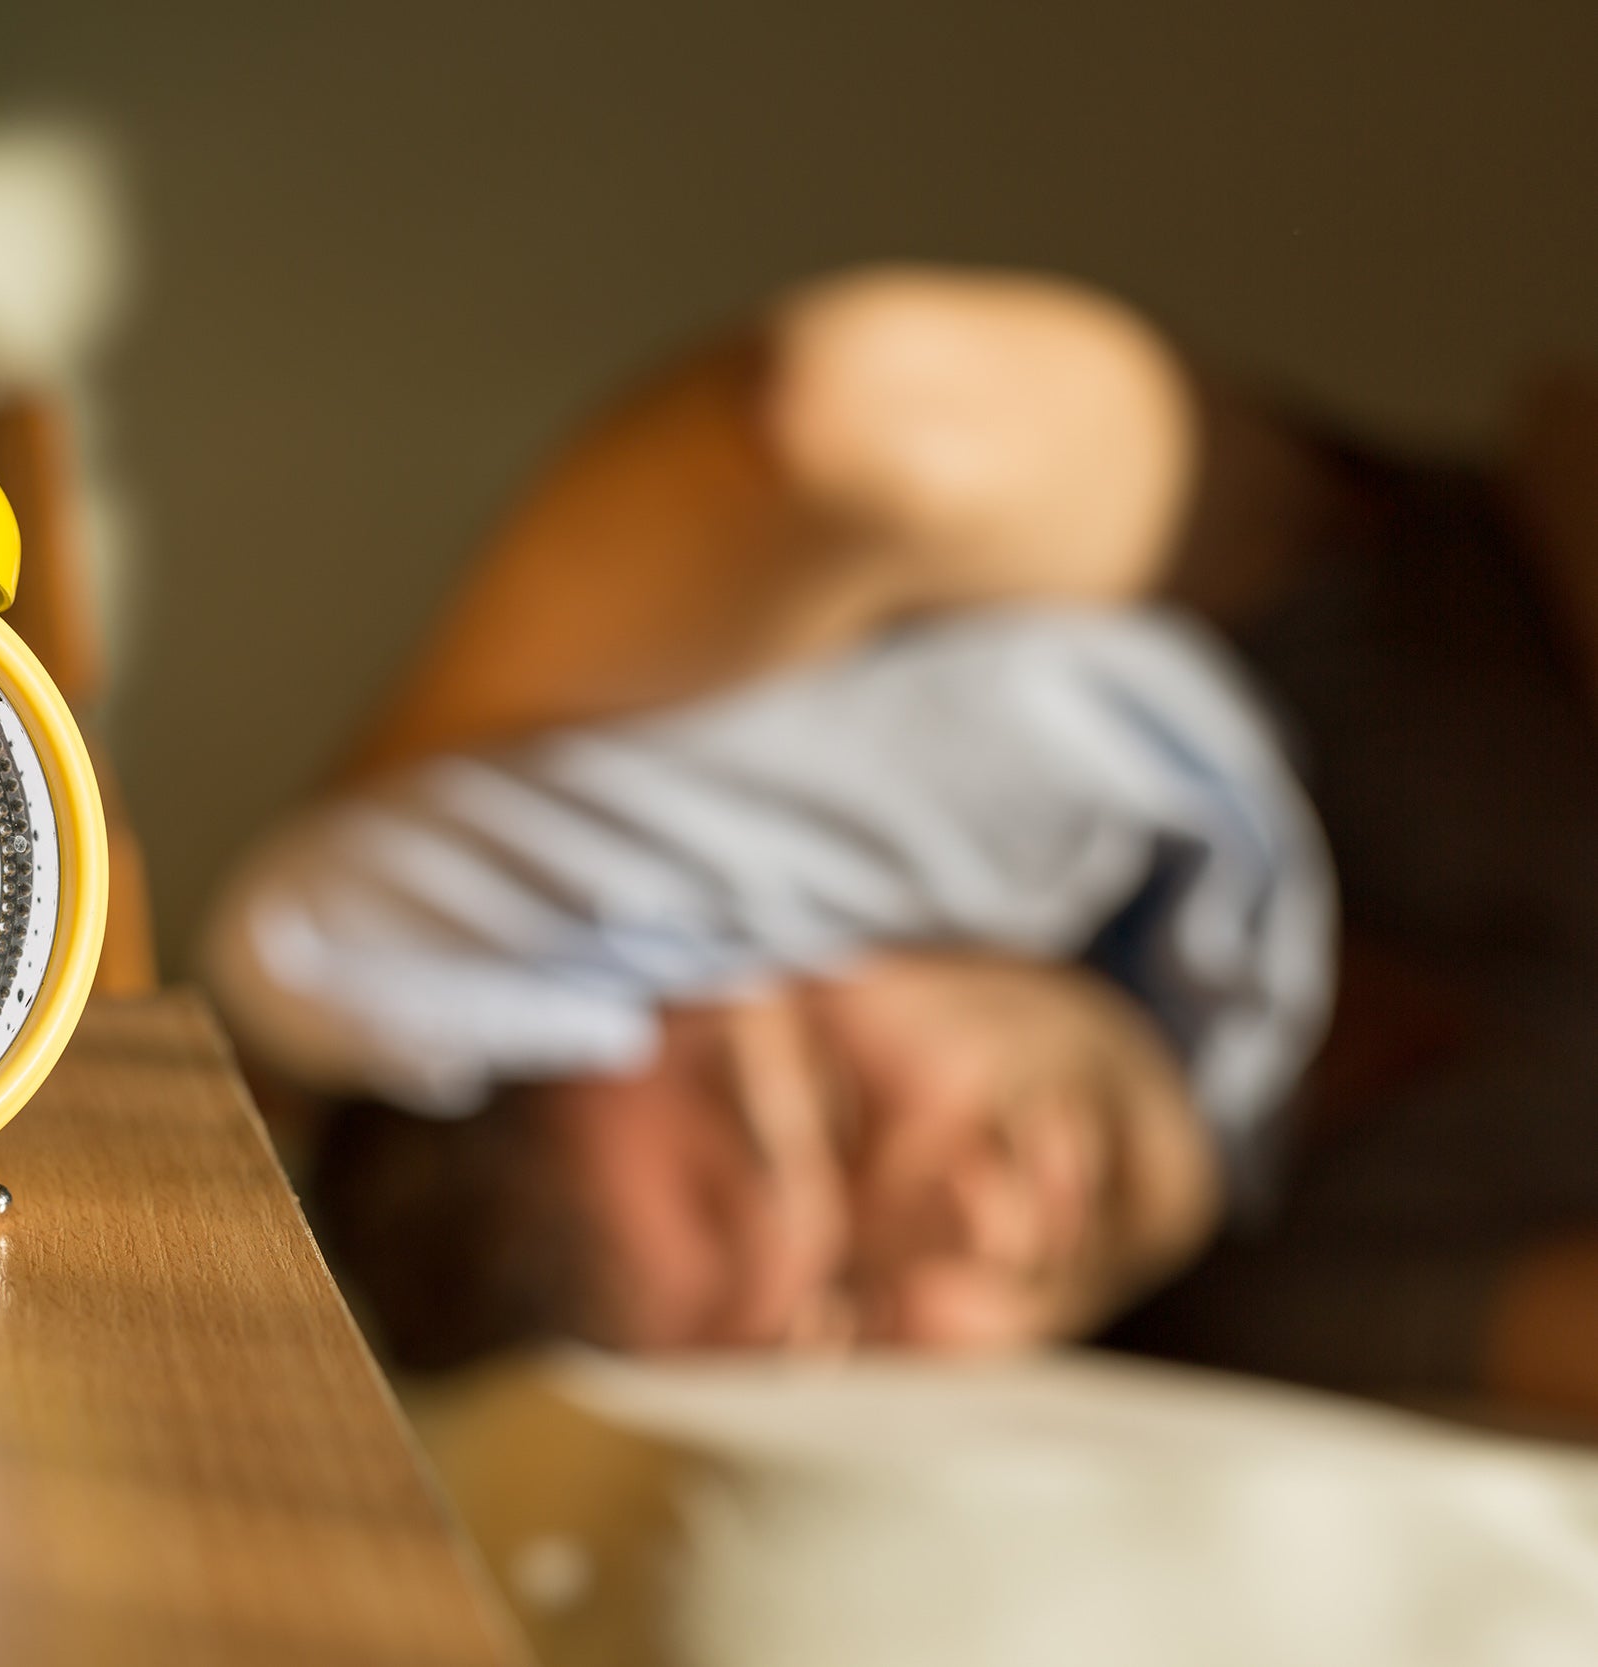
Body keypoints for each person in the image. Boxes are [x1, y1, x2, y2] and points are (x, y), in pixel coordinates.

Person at [203, 265, 1598, 1414]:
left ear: (768, 901)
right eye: (849, 1314)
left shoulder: (1284, 589)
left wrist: (259, 1036)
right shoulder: (1280, 1304)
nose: (955, 1221)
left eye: (821, 1110)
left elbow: (837, 423)